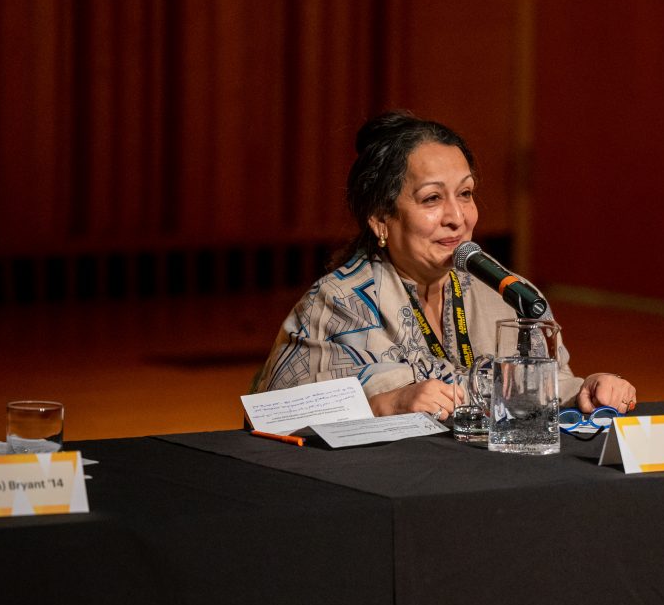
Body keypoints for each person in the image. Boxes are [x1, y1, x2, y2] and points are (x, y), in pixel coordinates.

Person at [251, 111, 637, 420]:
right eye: (432, 198)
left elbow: (542, 390)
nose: (457, 216)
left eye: (466, 194)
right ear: (380, 219)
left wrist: (585, 390)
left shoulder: (507, 293)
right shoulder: (339, 304)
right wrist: (387, 404)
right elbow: (277, 415)